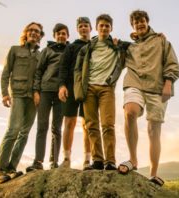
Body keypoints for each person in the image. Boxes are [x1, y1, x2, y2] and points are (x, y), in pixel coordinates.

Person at [117, 10, 179, 186]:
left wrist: (168, 83)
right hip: (134, 82)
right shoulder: (129, 47)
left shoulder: (161, 40)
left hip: (157, 87)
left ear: (147, 22)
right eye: (136, 23)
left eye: (142, 21)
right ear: (133, 26)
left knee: (154, 130)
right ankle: (133, 160)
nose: (139, 24)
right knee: (130, 112)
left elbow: (172, 63)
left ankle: (153, 173)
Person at [76, 14, 129, 170]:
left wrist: (156, 36)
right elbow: (77, 69)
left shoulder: (117, 45)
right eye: (101, 25)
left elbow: (137, 44)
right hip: (89, 88)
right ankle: (97, 160)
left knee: (108, 124)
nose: (104, 28)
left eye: (107, 26)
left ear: (111, 28)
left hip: (107, 88)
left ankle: (110, 161)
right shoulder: (87, 48)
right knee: (91, 125)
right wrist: (79, 87)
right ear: (97, 28)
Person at [0, 22, 44, 184]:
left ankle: (11, 168)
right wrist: (4, 93)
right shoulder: (15, 50)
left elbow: (40, 76)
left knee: (24, 133)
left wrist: (38, 93)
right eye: (31, 30)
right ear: (26, 32)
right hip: (17, 94)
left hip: (33, 98)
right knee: (13, 130)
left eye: (37, 31)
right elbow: (5, 73)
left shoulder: (40, 55)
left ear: (40, 36)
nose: (34, 33)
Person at [26, 23, 69, 172]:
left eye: (64, 33)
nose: (61, 36)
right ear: (55, 36)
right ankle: (38, 161)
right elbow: (39, 72)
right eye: (59, 34)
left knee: (56, 128)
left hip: (61, 94)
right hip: (44, 91)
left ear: (67, 36)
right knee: (42, 126)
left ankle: (54, 162)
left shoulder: (70, 51)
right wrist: (36, 91)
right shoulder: (46, 51)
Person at [58, 17, 92, 169]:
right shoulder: (70, 47)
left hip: (89, 87)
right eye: (81, 26)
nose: (83, 28)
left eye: (86, 26)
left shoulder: (95, 45)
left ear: (91, 28)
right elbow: (63, 67)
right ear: (77, 30)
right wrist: (62, 86)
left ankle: (87, 160)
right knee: (69, 122)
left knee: (87, 124)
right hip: (71, 86)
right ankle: (66, 159)